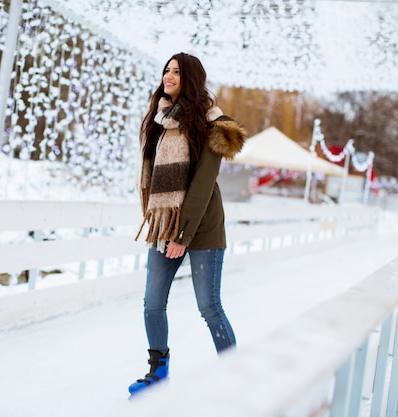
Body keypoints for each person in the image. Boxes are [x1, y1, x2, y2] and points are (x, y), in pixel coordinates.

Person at [129, 52, 247, 397]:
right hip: (167, 225)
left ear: (191, 77)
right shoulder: (160, 120)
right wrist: (166, 225)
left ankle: (235, 374)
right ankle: (158, 369)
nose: (168, 76)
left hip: (203, 227)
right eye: (166, 70)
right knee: (152, 303)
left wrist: (182, 234)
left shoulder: (213, 124)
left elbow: (203, 183)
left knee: (209, 306)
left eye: (177, 72)